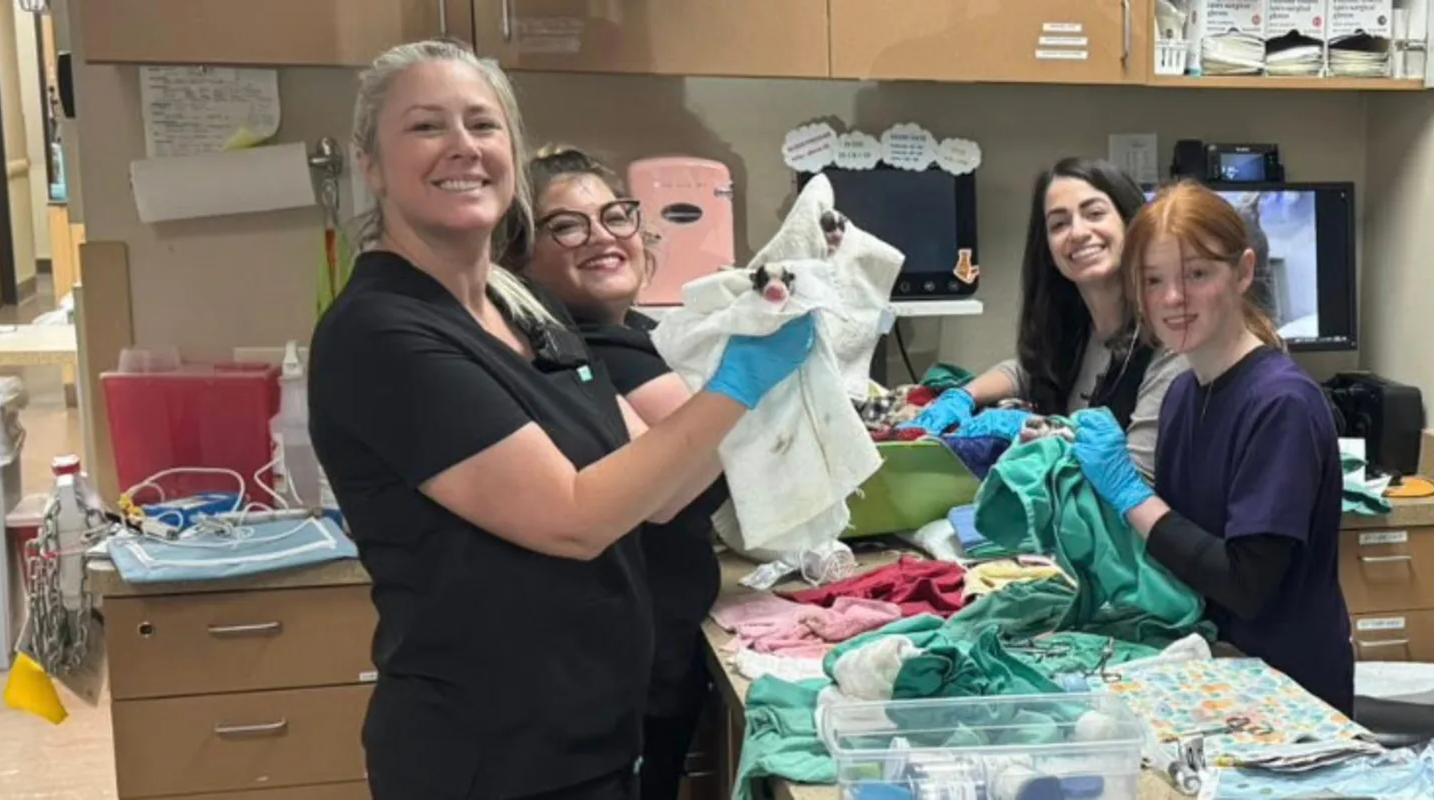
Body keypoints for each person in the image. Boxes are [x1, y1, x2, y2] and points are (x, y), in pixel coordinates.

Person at [307, 40, 812, 799]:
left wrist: (762, 366)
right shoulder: (383, 334)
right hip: (491, 759)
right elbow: (574, 518)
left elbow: (661, 488)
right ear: (370, 163)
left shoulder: (523, 308)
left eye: (483, 124)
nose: (462, 148)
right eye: (425, 127)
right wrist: (738, 382)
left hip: (596, 739)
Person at [1067, 180, 1355, 711]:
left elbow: (1245, 584)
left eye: (1197, 274)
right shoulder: (1182, 393)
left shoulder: (1280, 404)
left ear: (1243, 271)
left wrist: (1129, 494)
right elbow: (1179, 550)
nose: (1173, 299)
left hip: (1288, 694)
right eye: (1154, 281)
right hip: (1210, 674)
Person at [498, 144, 730, 800]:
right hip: (628, 669)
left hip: (645, 652)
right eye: (568, 225)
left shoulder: (630, 335)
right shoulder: (588, 352)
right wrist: (755, 380)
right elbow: (692, 467)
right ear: (519, 256)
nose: (601, 236)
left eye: (615, 216)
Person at [908, 158, 1185, 474]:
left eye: (1094, 213)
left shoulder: (1169, 340)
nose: (1077, 232)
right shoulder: (1077, 332)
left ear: (1132, 223)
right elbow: (1027, 370)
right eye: (1059, 224)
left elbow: (1137, 481)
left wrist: (1049, 437)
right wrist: (963, 395)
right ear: (1049, 250)